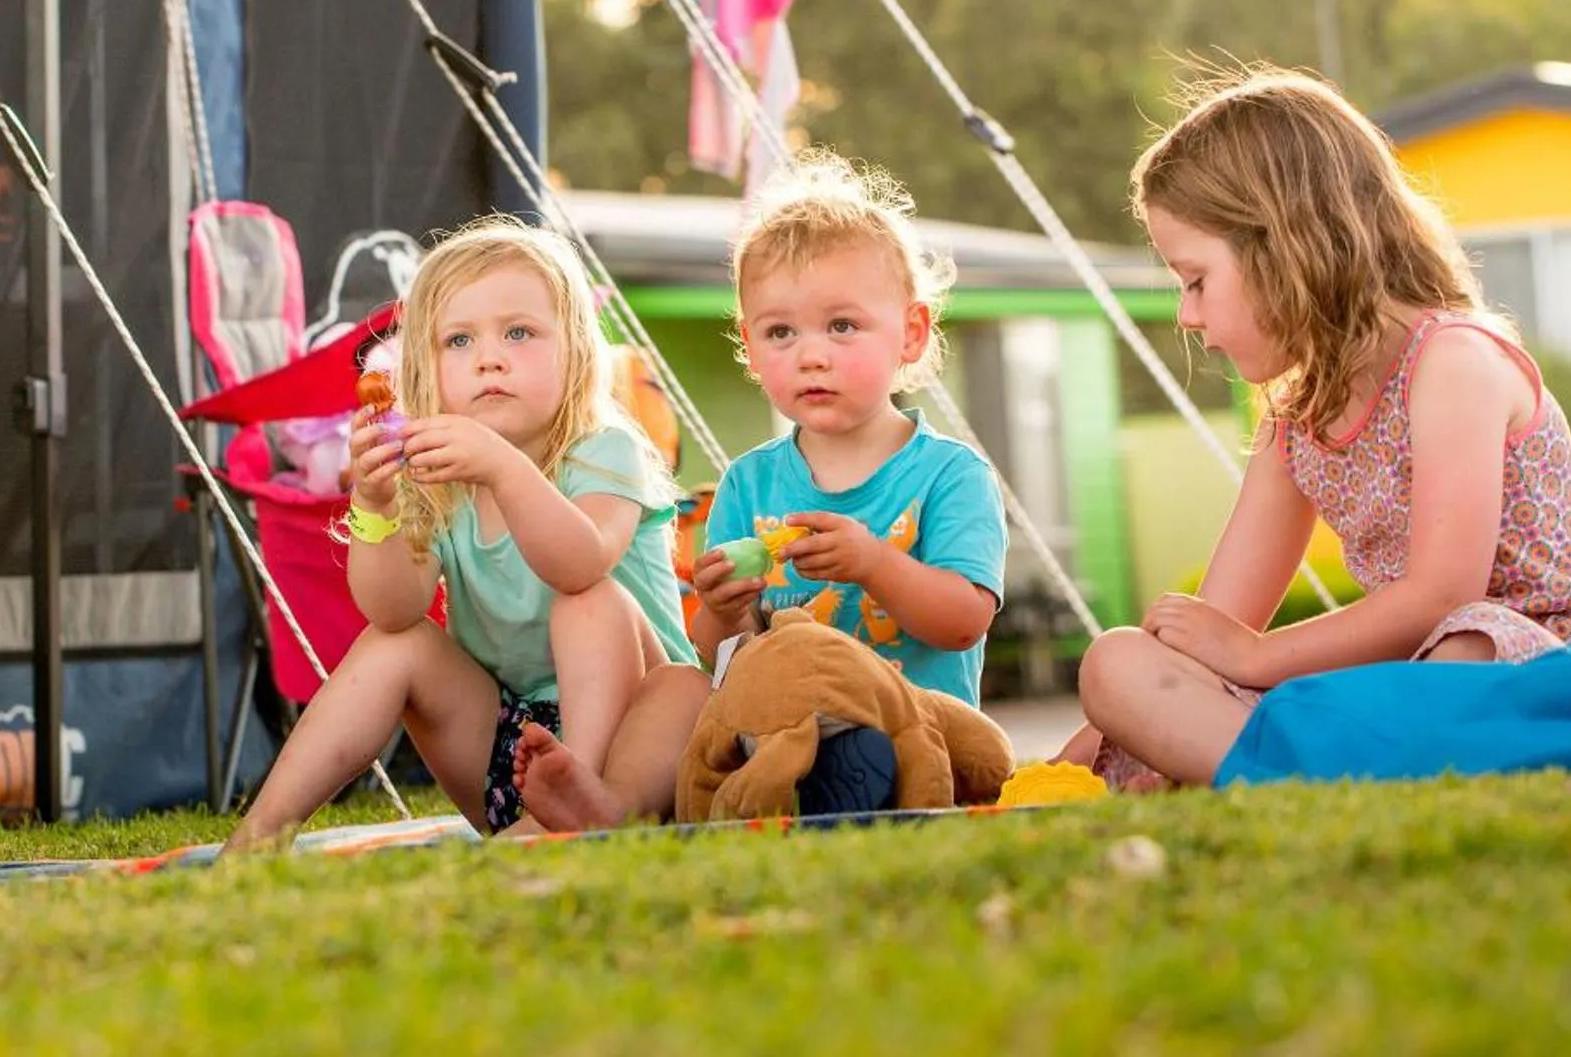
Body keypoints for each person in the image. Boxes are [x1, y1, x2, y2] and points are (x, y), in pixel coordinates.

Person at [1063, 70, 1571, 790]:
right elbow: (1210, 632)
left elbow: (1441, 596)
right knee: (1118, 660)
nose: (1187, 317)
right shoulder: (1297, 420)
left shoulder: (1453, 360)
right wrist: (1064, 763)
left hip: (1541, 676)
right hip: (1401, 693)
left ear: (1283, 250)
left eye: (1196, 280)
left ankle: (1285, 765)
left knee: (1466, 642)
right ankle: (1311, 771)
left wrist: (1255, 660)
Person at [512, 151, 1007, 830]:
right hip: (780, 734)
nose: (811, 353)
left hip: (918, 734)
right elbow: (726, 658)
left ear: (911, 333)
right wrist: (719, 607)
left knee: (862, 751)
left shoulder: (950, 473)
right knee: (689, 695)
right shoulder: (750, 482)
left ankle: (823, 790)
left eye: (842, 325)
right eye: (781, 331)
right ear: (750, 344)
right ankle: (621, 803)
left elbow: (963, 621)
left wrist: (874, 563)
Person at [222, 217, 699, 850]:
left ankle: (585, 804)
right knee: (399, 646)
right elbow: (393, 611)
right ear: (426, 368)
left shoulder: (605, 450)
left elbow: (580, 563)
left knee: (602, 610)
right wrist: (375, 502)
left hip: (645, 751)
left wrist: (504, 469)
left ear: (576, 352)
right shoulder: (440, 480)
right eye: (459, 341)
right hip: (512, 761)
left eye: (519, 333)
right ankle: (260, 832)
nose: (489, 358)